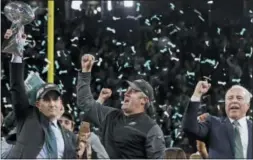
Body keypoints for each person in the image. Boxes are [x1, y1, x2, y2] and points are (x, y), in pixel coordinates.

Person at [4, 29, 77, 159]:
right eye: (47, 100)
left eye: (55, 100)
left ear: (61, 104)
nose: (52, 104)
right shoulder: (27, 116)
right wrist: (17, 52)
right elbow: (17, 86)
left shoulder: (68, 136)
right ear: (38, 104)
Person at [77, 54, 166, 159]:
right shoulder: (111, 115)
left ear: (144, 100)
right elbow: (85, 103)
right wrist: (85, 72)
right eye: (127, 90)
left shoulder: (151, 128)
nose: (126, 93)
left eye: (133, 91)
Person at [183, 81, 252, 159]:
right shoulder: (213, 124)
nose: (234, 101)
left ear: (247, 105)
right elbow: (189, 127)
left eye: (239, 98)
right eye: (230, 98)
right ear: (226, 105)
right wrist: (197, 94)